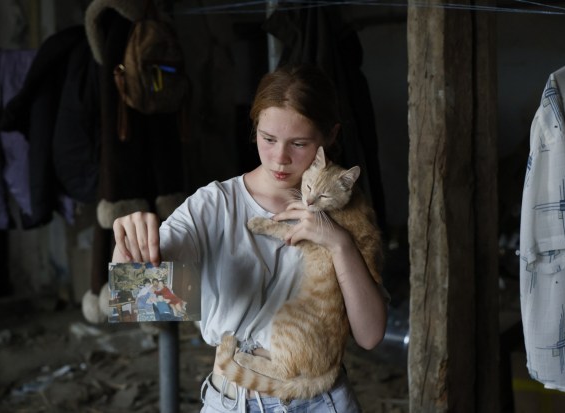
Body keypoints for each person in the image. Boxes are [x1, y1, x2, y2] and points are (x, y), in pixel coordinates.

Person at [111, 64, 389, 412]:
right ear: (254, 128)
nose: (280, 158)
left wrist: (340, 243)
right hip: (234, 397)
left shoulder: (346, 206)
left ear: (330, 137)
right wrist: (129, 249)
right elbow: (140, 302)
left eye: (299, 143)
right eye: (268, 139)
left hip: (323, 399)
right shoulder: (216, 205)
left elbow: (370, 335)